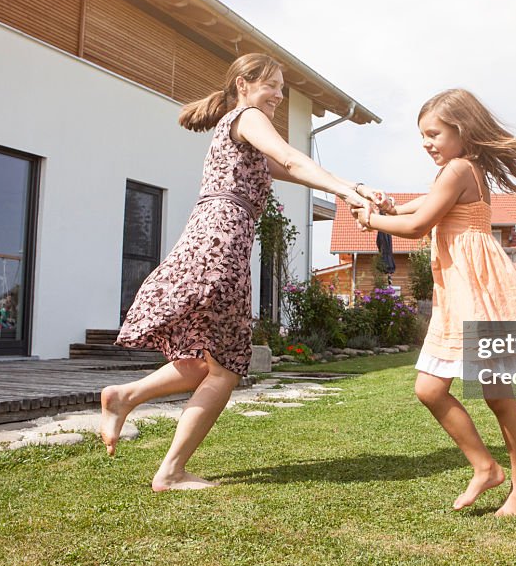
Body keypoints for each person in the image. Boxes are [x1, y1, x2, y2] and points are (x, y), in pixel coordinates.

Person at [99, 53, 378, 491]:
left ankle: (124, 397)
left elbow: (289, 169)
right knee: (225, 369)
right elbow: (290, 154)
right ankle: (170, 471)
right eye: (274, 86)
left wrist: (353, 188)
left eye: (282, 89)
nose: (280, 96)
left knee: (200, 363)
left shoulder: (236, 128)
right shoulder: (247, 116)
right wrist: (346, 193)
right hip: (221, 244)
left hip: (211, 240)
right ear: (245, 84)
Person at [352, 88, 516, 516]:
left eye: (433, 134)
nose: (427, 143)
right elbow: (419, 207)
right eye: (422, 137)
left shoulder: (458, 169)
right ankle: (486, 468)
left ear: (461, 130)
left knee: (496, 393)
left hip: (478, 292)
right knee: (432, 389)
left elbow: (418, 224)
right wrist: (388, 204)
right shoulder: (460, 170)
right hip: (462, 292)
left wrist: (370, 219)